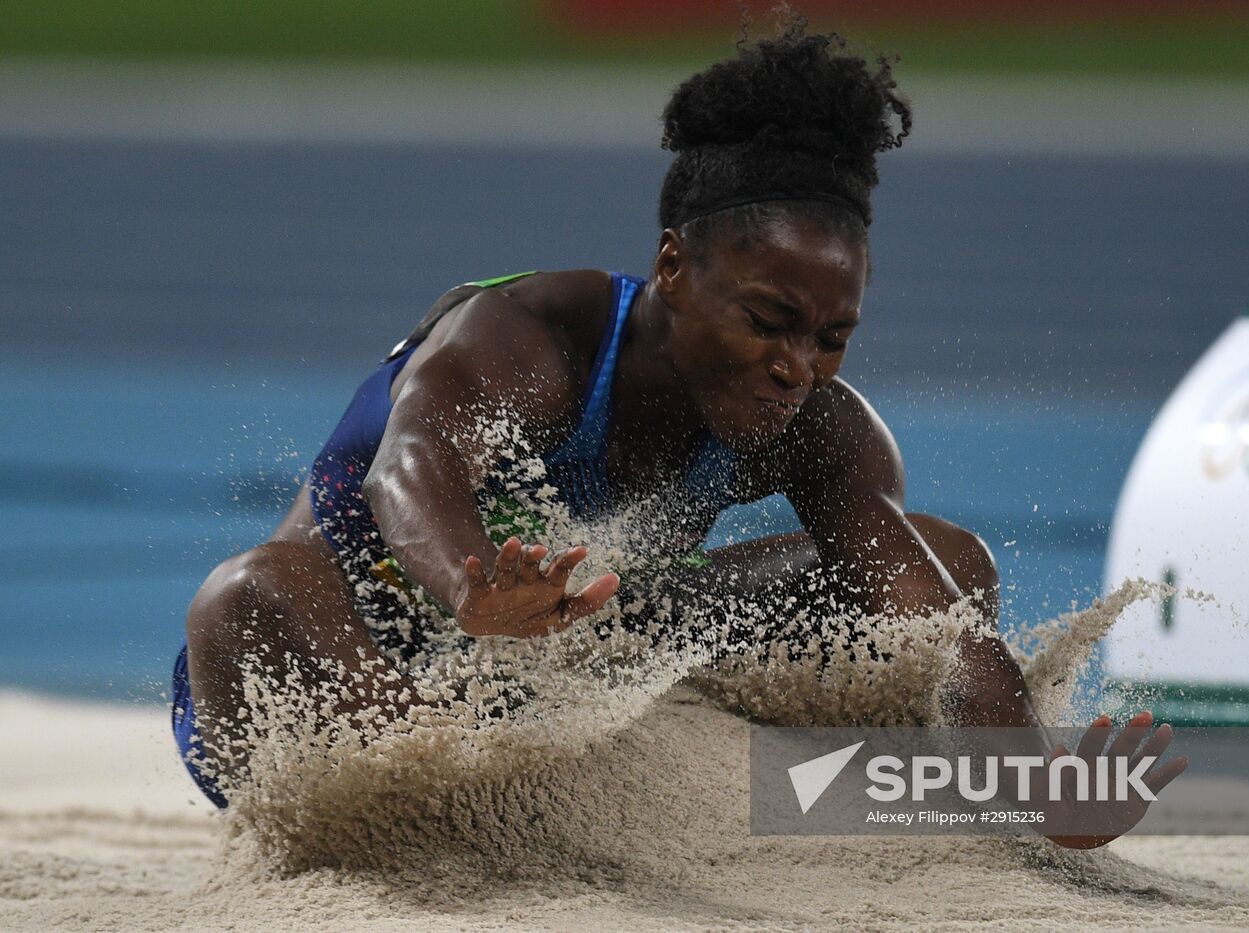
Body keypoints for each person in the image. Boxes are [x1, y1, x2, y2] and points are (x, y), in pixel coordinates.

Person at [174, 15, 1184, 845]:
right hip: (343, 665)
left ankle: (809, 799)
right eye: (767, 322)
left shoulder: (820, 430)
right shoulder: (532, 337)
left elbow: (932, 626)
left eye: (832, 337)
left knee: (950, 564)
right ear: (671, 269)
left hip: (561, 674)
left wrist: (1035, 789)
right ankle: (435, 823)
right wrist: (469, 587)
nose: (797, 368)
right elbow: (411, 469)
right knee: (245, 589)